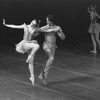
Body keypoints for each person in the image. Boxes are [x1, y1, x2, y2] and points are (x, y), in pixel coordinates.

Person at [3, 19, 40, 85]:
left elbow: (41, 31)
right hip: (24, 44)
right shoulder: (25, 26)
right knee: (37, 46)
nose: (31, 24)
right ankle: (30, 56)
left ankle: (32, 77)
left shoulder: (36, 29)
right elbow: (15, 26)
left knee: (31, 62)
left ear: (35, 25)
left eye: (33, 24)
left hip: (30, 44)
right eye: (31, 22)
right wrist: (6, 24)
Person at [37, 15, 65, 85]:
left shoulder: (57, 27)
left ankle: (42, 76)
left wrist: (60, 32)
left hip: (53, 46)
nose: (47, 22)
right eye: (46, 21)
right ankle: (44, 76)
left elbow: (63, 38)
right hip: (46, 45)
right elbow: (38, 30)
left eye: (48, 21)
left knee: (48, 61)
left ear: (52, 21)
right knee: (51, 58)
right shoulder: (46, 27)